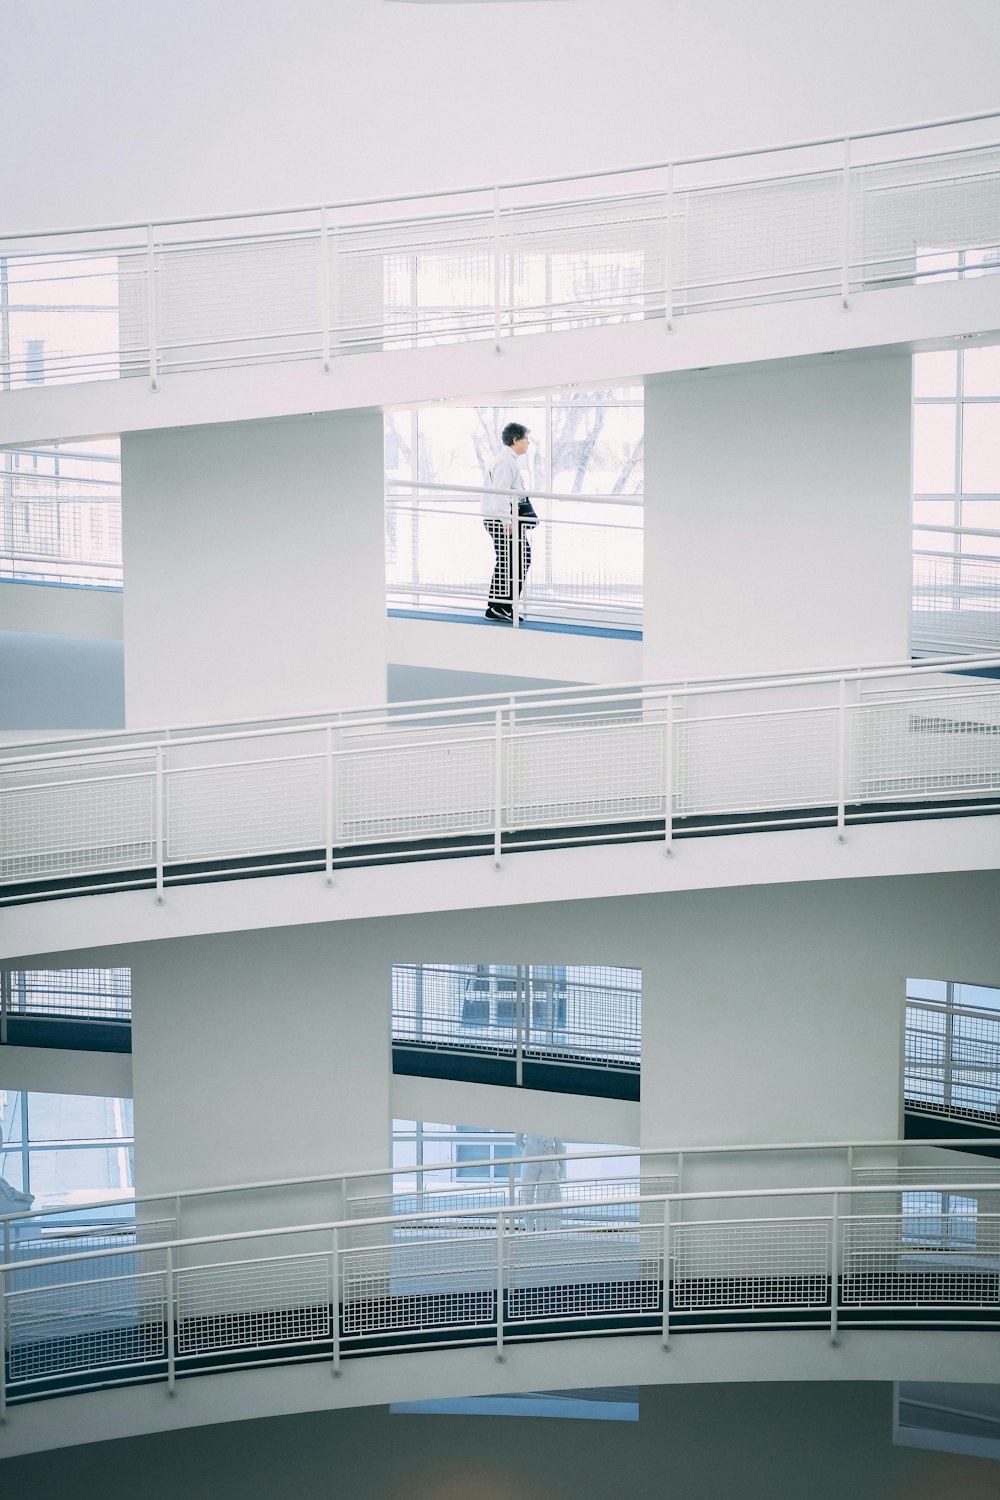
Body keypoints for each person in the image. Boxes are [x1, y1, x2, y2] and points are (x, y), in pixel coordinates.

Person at [483, 422, 536, 622]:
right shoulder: (506, 461)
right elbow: (501, 493)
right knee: (516, 558)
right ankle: (501, 605)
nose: (528, 443)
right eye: (525, 439)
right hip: (501, 519)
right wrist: (507, 520)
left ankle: (498, 606)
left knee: (514, 558)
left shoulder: (508, 460)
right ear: (515, 439)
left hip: (502, 518)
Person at [515, 1132, 564, 1232]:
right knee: (542, 1200)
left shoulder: (527, 1117)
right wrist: (561, 1165)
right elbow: (559, 1144)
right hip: (548, 1160)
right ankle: (539, 1231)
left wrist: (526, 1150)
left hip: (531, 1159)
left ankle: (529, 1231)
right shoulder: (554, 1119)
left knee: (528, 1198)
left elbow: (517, 1140)